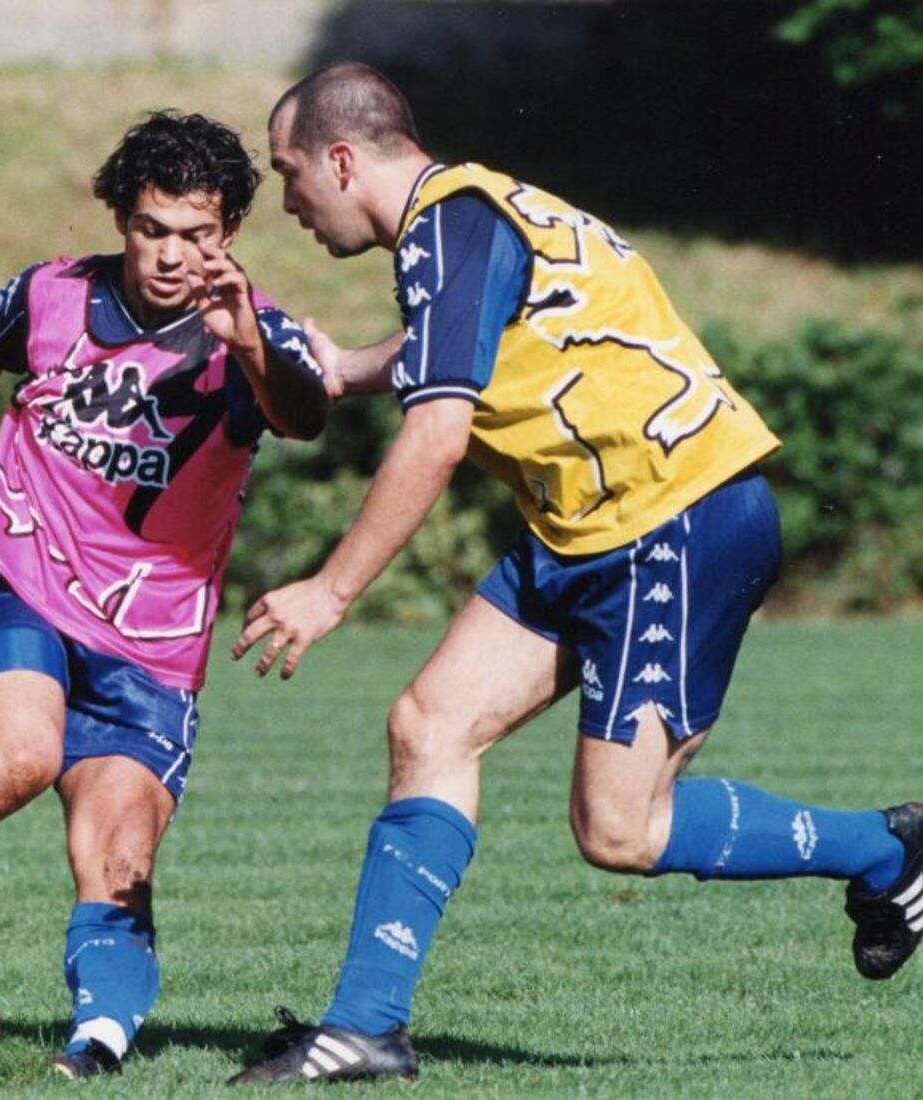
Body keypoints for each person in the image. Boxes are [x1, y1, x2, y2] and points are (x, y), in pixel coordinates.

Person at [227, 62, 923, 1086]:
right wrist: (347, 362)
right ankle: (365, 1028)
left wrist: (328, 590)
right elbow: (487, 336)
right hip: (584, 529)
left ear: (341, 158)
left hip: (671, 522)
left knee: (618, 827)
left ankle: (885, 851)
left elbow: (436, 434)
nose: (287, 202)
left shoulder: (448, 221)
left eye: (288, 174)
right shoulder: (471, 211)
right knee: (427, 724)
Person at [0, 110, 327, 1079]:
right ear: (119, 219)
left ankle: (92, 1052)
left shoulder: (253, 335)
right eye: (151, 228)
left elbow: (300, 415)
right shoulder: (50, 296)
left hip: (152, 638)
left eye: (196, 233)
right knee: (18, 753)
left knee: (120, 852)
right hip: (20, 569)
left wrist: (250, 341)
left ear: (227, 234)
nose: (173, 254)